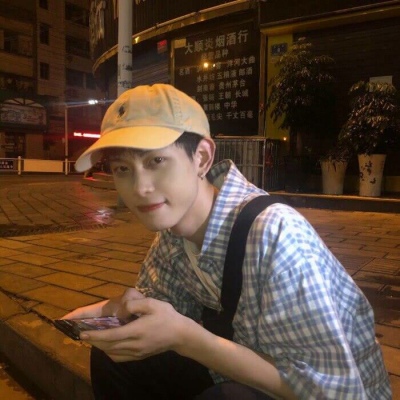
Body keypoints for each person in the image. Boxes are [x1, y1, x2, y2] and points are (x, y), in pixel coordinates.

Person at [64, 84, 392, 399]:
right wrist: (111, 311)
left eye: (156, 161)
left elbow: (335, 392)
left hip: (321, 390)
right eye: (122, 169)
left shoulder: (276, 234)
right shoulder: (171, 237)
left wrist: (185, 338)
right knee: (116, 357)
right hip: (240, 369)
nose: (140, 188)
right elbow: (161, 308)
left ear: (202, 158)